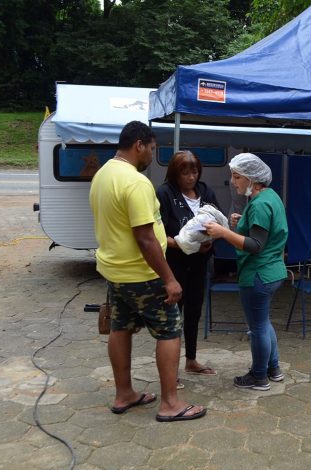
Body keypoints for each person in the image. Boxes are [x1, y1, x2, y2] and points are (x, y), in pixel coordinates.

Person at [89, 121, 206, 422]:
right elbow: (145, 237)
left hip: (115, 272)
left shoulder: (103, 175)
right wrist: (169, 278)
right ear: (139, 144)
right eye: (152, 148)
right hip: (143, 275)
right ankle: (170, 403)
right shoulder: (136, 182)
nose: (153, 155)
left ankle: (124, 393)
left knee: (120, 328)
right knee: (169, 330)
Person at [204, 153, 287, 391]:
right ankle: (274, 369)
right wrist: (241, 223)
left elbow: (255, 245)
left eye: (237, 176)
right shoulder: (269, 197)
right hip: (272, 272)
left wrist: (223, 232)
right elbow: (263, 230)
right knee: (264, 322)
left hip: (258, 275)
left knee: (258, 327)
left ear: (252, 178)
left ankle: (259, 376)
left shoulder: (260, 204)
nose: (233, 181)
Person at [156, 151, 219, 378]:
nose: (191, 177)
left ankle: (191, 359)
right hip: (175, 264)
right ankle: (170, 371)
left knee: (194, 311)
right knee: (173, 315)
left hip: (200, 262)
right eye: (185, 172)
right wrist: (182, 245)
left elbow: (216, 219)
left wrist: (209, 241)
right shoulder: (164, 193)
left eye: (194, 171)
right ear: (175, 173)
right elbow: (157, 231)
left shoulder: (205, 191)